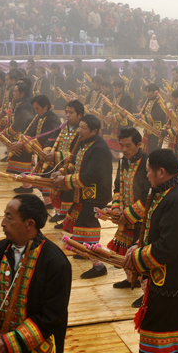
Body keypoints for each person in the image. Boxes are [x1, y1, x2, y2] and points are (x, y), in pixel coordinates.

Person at [123, 149, 178, 353]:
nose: (146, 175)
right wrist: (137, 248)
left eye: (149, 171)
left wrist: (136, 257)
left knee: (162, 339)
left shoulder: (176, 199)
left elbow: (168, 247)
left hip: (173, 282)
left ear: (162, 172)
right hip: (168, 279)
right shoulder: (166, 192)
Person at [0, 194, 72, 353]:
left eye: (9, 217)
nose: (3, 223)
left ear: (29, 224)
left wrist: (13, 341)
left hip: (40, 344)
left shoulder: (55, 263)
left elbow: (53, 315)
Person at [52, 114, 112, 279]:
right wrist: (61, 171)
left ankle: (98, 265)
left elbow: (90, 175)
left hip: (95, 195)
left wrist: (64, 180)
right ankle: (90, 255)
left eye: (83, 128)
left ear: (94, 130)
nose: (80, 131)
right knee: (81, 226)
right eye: (80, 127)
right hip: (84, 194)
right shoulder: (85, 143)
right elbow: (76, 163)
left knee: (86, 227)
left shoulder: (99, 148)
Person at [109, 127, 151, 294]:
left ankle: (146, 293)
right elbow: (117, 186)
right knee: (125, 250)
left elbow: (149, 194)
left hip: (143, 218)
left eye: (128, 146)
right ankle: (130, 279)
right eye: (121, 146)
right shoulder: (122, 161)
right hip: (125, 216)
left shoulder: (147, 163)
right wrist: (116, 208)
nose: (124, 150)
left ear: (139, 144)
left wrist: (129, 214)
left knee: (141, 253)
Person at [45, 100, 84, 225]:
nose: (67, 115)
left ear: (80, 115)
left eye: (71, 113)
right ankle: (59, 213)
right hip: (58, 164)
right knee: (57, 190)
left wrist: (57, 155)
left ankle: (66, 218)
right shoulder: (63, 128)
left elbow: (77, 153)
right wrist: (46, 151)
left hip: (72, 166)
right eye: (66, 112)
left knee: (69, 193)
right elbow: (50, 140)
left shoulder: (82, 132)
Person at [21, 95, 62, 207]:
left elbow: (46, 138)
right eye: (34, 109)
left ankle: (50, 202)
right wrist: (25, 139)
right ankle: (48, 202)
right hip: (41, 152)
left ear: (45, 107)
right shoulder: (40, 117)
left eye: (37, 108)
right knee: (42, 175)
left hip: (49, 154)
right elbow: (33, 132)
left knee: (46, 176)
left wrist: (29, 143)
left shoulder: (52, 119)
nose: (36, 111)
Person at [4, 80, 35, 181]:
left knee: (23, 166)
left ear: (22, 94)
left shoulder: (24, 106)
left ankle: (25, 184)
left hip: (23, 137)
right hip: (20, 136)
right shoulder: (21, 104)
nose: (13, 93)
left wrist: (7, 133)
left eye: (15, 92)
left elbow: (19, 124)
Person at [139, 84, 167, 153]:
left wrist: (142, 117)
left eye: (149, 92)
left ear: (155, 92)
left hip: (156, 129)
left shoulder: (159, 102)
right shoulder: (149, 100)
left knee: (154, 148)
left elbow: (156, 115)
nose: (147, 94)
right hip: (149, 128)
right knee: (148, 147)